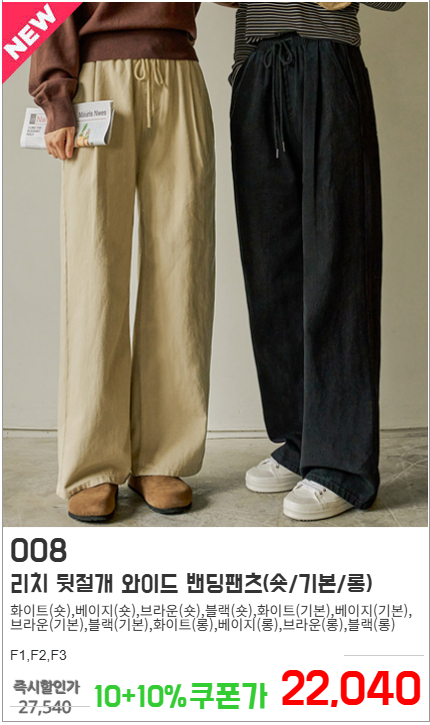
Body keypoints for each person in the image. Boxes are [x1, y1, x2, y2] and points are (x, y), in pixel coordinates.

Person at [29, 3, 215, 523]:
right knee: (94, 269)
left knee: (183, 264)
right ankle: (92, 464)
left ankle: (163, 455)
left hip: (179, 73)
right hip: (96, 80)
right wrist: (55, 95)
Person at [221, 1, 405, 521]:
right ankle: (301, 440)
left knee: (337, 260)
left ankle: (341, 465)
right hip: (258, 65)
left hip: (328, 59)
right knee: (271, 268)